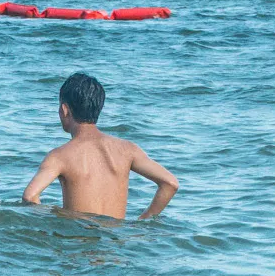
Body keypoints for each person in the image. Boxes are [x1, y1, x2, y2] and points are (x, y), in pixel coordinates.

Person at [20, 72, 178, 220]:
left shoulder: (60, 156)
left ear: (64, 110)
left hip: (79, 242)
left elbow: (30, 196)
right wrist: (142, 222)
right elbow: (170, 183)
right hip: (115, 243)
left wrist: (55, 218)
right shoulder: (128, 149)